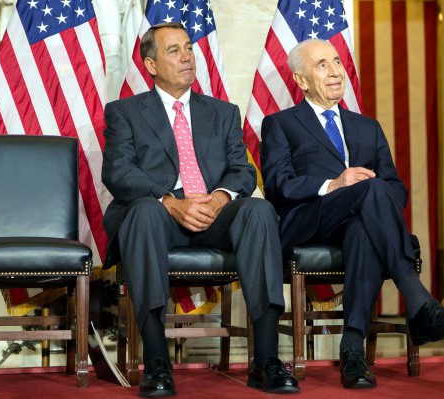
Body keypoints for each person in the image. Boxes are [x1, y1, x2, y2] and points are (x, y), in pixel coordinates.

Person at [260, 39, 444, 390]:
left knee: (366, 222)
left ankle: (352, 352)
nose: (335, 71)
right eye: (322, 65)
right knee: (370, 190)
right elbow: (277, 185)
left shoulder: (367, 127)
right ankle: (419, 302)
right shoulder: (281, 124)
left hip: (358, 223)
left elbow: (396, 188)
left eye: (337, 62)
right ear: (300, 81)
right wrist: (334, 184)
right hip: (310, 221)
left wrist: (367, 192)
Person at [101, 22, 299, 397]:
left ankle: (267, 359)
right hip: (160, 214)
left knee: (258, 211)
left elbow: (241, 169)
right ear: (151, 65)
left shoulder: (222, 112)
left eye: (189, 48)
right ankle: (157, 361)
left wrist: (222, 197)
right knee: (143, 211)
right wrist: (172, 204)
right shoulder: (125, 112)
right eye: (174, 50)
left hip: (213, 212)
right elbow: (118, 172)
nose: (187, 56)